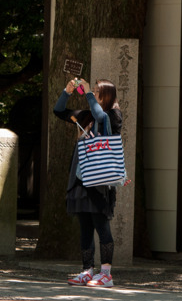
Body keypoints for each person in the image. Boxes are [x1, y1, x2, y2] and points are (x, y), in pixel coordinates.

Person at [53, 77, 123, 287]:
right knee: (85, 226)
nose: (91, 93)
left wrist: (87, 93)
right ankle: (87, 270)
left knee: (101, 225)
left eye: (96, 92)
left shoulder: (113, 115)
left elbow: (101, 116)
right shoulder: (85, 116)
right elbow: (58, 111)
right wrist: (67, 91)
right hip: (80, 178)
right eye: (92, 91)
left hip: (100, 180)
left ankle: (106, 273)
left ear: (106, 95)